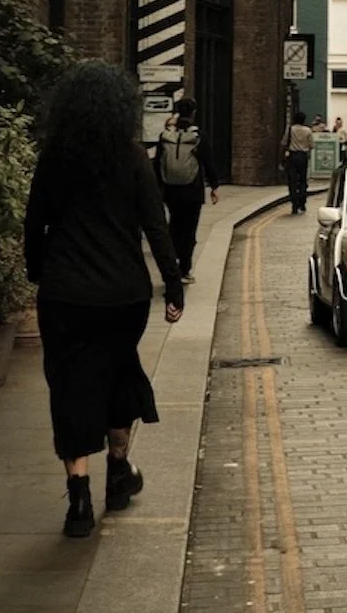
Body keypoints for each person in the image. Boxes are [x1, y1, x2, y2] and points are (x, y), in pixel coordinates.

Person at [24, 62, 185, 538]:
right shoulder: (133, 157)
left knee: (71, 385)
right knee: (117, 375)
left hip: (66, 295)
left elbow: (35, 224)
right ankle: (118, 470)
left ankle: (78, 500)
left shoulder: (55, 157)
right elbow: (156, 225)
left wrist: (39, 272)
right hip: (123, 295)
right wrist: (172, 285)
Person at [153, 96, 219, 282]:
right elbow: (208, 161)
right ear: (193, 112)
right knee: (189, 231)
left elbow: (157, 162)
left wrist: (159, 187)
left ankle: (171, 266)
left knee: (174, 226)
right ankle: (185, 270)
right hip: (192, 191)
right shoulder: (198, 136)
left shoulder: (166, 136)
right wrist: (214, 186)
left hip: (171, 190)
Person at [281, 109, 314, 213]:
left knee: (292, 181)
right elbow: (312, 145)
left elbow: (284, 142)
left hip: (292, 156)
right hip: (303, 156)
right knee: (303, 181)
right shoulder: (308, 130)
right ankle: (302, 203)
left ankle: (294, 204)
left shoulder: (291, 129)